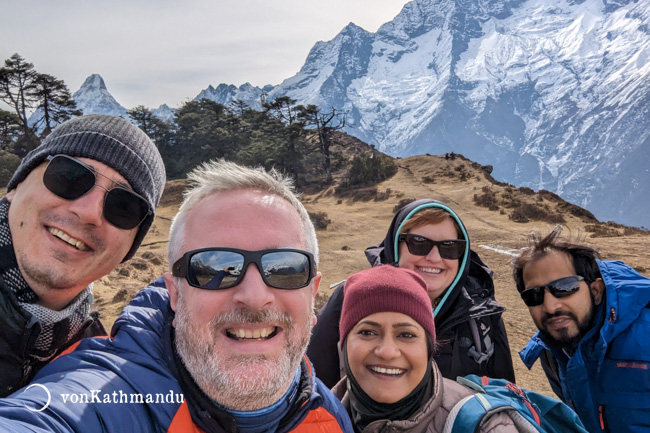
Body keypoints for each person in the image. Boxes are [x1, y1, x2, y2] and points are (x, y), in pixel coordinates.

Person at [0, 159, 353, 433]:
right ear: (174, 292)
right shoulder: (105, 395)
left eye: (284, 268)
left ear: (314, 291)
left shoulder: (332, 415)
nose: (255, 297)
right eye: (215, 269)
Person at [0, 114, 165, 397]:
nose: (89, 212)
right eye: (69, 176)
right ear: (16, 186)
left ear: (129, 249)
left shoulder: (95, 372)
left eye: (124, 207)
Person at [307, 199, 515, 388]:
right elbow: (312, 382)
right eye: (419, 243)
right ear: (395, 246)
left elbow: (504, 395)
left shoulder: (481, 315)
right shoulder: (354, 298)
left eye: (449, 248)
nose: (434, 258)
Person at [332, 264, 520, 432]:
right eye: (367, 333)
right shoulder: (313, 413)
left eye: (406, 335)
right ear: (344, 344)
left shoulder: (485, 426)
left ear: (429, 348)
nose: (388, 352)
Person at [513, 226, 650, 433]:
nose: (551, 307)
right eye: (534, 296)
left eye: (565, 288)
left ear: (596, 291)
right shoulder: (552, 352)